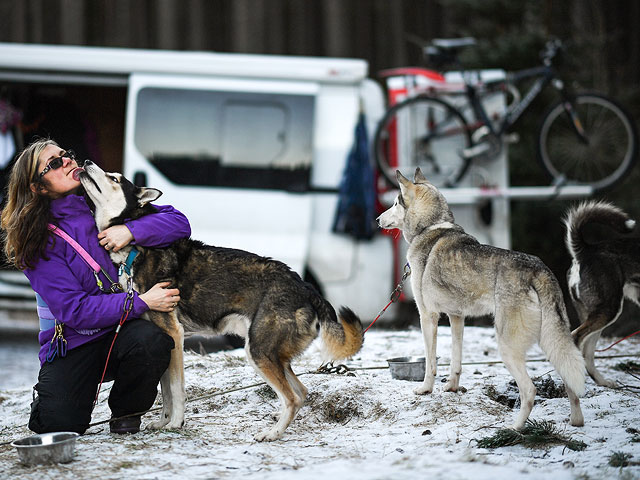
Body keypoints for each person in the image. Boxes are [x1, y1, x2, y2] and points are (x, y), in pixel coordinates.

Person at [0, 138, 191, 435]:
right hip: (73, 344)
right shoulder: (37, 240)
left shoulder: (102, 198)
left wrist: (131, 229)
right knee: (59, 426)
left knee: (152, 340)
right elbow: (74, 310)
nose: (66, 162)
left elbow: (178, 223)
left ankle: (127, 414)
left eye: (65, 155)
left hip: (120, 333)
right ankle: (51, 398)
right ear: (38, 188)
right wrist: (141, 302)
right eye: (53, 164)